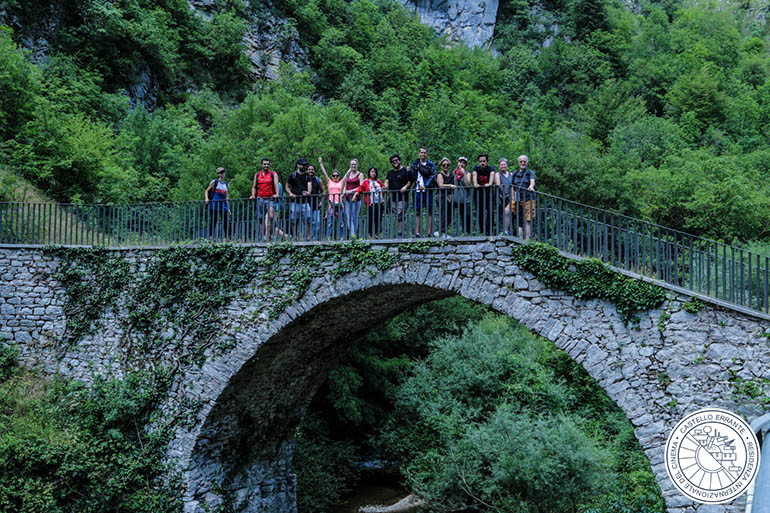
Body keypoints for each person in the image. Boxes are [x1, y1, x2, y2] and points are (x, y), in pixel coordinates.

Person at [250, 157, 280, 241]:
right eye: (264, 164)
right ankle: (264, 235)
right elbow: (254, 186)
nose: (266, 166)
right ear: (261, 165)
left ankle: (271, 232)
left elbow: (276, 184)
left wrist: (277, 194)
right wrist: (253, 195)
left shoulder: (273, 174)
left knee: (271, 216)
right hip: (260, 198)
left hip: (270, 198)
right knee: (260, 218)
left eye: (267, 164)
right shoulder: (257, 174)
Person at [409, 147, 436, 237]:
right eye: (421, 152)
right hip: (417, 189)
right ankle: (417, 232)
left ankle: (429, 232)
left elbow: (433, 175)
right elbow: (413, 176)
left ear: (427, 154)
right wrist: (409, 170)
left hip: (428, 190)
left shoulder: (431, 164)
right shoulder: (415, 164)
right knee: (417, 211)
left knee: (430, 210)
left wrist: (426, 186)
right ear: (418, 153)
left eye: (424, 152)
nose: (423, 154)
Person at [353, 167, 385, 238]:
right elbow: (360, 189)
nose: (373, 173)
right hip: (370, 203)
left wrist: (384, 199)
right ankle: (370, 234)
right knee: (370, 219)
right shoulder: (366, 182)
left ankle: (377, 234)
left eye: (374, 172)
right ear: (369, 173)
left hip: (379, 203)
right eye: (372, 172)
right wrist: (355, 195)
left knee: (378, 219)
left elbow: (384, 189)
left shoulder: (378, 181)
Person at [318, 157, 345, 240]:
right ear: (332, 176)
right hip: (331, 204)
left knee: (341, 222)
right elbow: (324, 173)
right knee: (330, 222)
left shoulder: (341, 183)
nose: (335, 177)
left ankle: (341, 237)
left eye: (337, 175)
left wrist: (351, 168)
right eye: (334, 175)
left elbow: (347, 175)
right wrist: (321, 163)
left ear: (339, 177)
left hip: (339, 204)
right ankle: (329, 237)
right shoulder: (329, 182)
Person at [384, 154, 411, 238]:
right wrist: (385, 186)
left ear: (399, 161)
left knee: (400, 214)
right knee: (395, 215)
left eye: (396, 160)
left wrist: (405, 187)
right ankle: (394, 233)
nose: (394, 162)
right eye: (392, 161)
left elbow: (410, 182)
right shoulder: (390, 172)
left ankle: (400, 233)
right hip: (393, 198)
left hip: (402, 197)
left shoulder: (405, 170)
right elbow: (387, 181)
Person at [472, 153, 498, 236]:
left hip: (489, 193)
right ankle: (482, 230)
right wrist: (475, 183)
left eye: (484, 161)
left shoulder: (491, 168)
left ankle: (489, 230)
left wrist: (489, 183)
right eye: (480, 161)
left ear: (487, 162)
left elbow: (492, 175)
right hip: (478, 194)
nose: (482, 163)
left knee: (490, 212)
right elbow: (474, 175)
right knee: (480, 212)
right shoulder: (476, 168)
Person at [286, 158, 311, 240]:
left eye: (305, 165)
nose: (304, 166)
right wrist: (290, 193)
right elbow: (287, 186)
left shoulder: (307, 176)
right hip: (295, 201)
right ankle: (295, 237)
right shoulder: (293, 175)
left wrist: (308, 192)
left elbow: (309, 186)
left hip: (304, 201)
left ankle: (308, 236)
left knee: (308, 218)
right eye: (302, 165)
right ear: (298, 165)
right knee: (294, 219)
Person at [513, 155, 537, 240]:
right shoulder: (515, 173)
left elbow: (532, 181)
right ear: (518, 162)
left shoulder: (530, 172)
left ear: (527, 162)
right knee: (518, 219)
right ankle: (519, 239)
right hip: (518, 198)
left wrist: (531, 186)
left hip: (528, 198)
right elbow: (512, 186)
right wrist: (513, 197)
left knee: (528, 219)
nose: (523, 163)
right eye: (521, 161)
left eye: (524, 161)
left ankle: (527, 241)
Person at [204, 167, 230, 239]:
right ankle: (210, 236)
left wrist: (228, 208)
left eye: (223, 172)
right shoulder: (214, 182)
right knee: (214, 220)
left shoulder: (225, 184)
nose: (223, 174)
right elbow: (206, 190)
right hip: (214, 204)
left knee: (225, 221)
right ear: (218, 174)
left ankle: (227, 237)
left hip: (223, 205)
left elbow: (226, 197)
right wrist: (207, 198)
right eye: (221, 172)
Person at [451, 157, 473, 235]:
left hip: (466, 198)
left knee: (467, 216)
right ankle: (459, 233)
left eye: (463, 163)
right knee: (457, 216)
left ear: (465, 165)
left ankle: (468, 233)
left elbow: (468, 184)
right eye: (460, 162)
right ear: (458, 163)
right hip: (456, 198)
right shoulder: (454, 173)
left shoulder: (468, 173)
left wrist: (464, 173)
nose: (461, 164)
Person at [343, 159, 364, 238]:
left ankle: (353, 235)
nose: (353, 166)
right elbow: (345, 184)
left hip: (356, 198)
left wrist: (351, 191)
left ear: (357, 165)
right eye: (352, 164)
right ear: (350, 166)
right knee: (348, 217)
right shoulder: (348, 174)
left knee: (354, 217)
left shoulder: (360, 174)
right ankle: (353, 235)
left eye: (355, 164)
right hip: (347, 199)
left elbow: (361, 186)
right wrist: (344, 192)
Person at [435, 157, 454, 236]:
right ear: (441, 166)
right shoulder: (440, 174)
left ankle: (443, 231)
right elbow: (441, 185)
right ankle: (439, 231)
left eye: (447, 165)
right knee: (443, 213)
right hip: (441, 196)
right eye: (444, 165)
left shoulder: (451, 175)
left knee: (450, 215)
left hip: (449, 196)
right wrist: (450, 185)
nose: (446, 166)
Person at [306, 163, 325, 240]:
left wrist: (322, 202)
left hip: (316, 205)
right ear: (307, 170)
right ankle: (307, 239)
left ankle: (314, 239)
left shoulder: (318, 180)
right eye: (309, 169)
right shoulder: (305, 179)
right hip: (306, 205)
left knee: (316, 223)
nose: (311, 171)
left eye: (312, 169)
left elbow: (323, 191)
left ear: (314, 171)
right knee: (307, 223)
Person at [497, 158, 514, 236]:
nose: (503, 166)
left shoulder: (511, 174)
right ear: (499, 166)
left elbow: (514, 185)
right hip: (501, 197)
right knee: (501, 214)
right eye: (501, 165)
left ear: (507, 165)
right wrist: (503, 193)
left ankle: (511, 231)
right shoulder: (498, 174)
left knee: (511, 214)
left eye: (504, 164)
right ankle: (501, 231)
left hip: (511, 197)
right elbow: (498, 185)